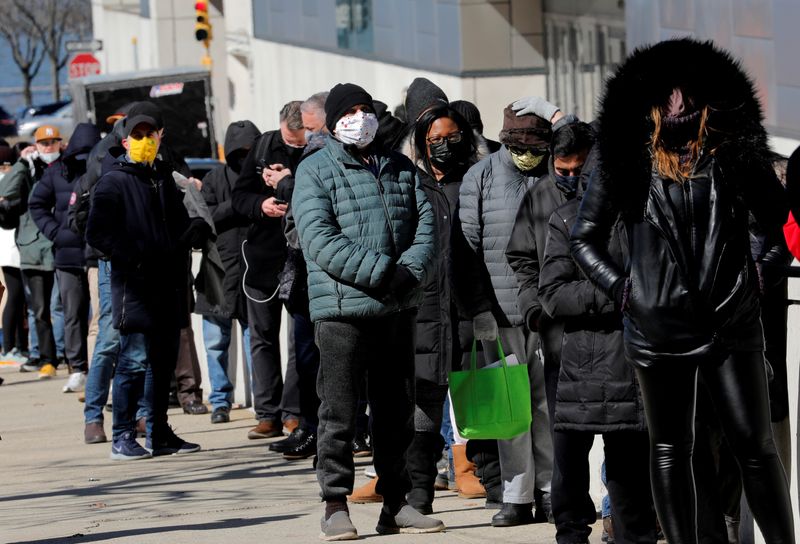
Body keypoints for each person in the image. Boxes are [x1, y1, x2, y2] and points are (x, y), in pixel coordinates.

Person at [570, 38, 794, 543]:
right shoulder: (626, 154)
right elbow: (583, 239)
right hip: (656, 328)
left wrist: (755, 281)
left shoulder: (734, 149)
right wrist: (626, 291)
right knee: (671, 448)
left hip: (731, 325)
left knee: (755, 448)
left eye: (688, 96)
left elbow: (779, 231)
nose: (678, 107)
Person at [293, 82, 442, 539]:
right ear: (335, 121)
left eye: (365, 109)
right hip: (342, 311)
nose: (360, 117)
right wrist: (382, 272)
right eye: (349, 111)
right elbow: (319, 239)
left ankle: (396, 502)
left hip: (396, 308)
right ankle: (335, 504)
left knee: (395, 410)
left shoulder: (398, 166)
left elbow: (427, 224)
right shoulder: (315, 170)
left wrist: (408, 272)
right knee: (338, 412)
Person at [535, 122, 658, 544]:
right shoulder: (566, 220)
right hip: (581, 362)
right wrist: (620, 293)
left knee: (630, 478)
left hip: (633, 363)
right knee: (569, 464)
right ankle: (571, 535)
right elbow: (552, 293)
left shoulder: (649, 217)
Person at [86, 101, 208, 460]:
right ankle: (123, 435)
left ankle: (158, 432)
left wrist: (191, 232)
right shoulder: (114, 181)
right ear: (124, 142)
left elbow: (175, 226)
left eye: (148, 135)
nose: (142, 141)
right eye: (135, 135)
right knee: (133, 361)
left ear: (159, 137)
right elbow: (97, 233)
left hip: (168, 285)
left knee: (161, 362)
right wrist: (134, 255)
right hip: (135, 287)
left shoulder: (163, 178)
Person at [459, 103, 555, 527]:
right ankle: (516, 496)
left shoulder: (554, 172)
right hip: (498, 312)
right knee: (512, 407)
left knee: (547, 404)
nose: (527, 155)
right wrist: (478, 309)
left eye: (536, 147)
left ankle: (552, 491)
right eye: (519, 146)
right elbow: (466, 249)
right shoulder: (479, 176)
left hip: (549, 311)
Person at [506, 99, 587, 431]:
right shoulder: (540, 195)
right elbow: (522, 258)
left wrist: (559, 117)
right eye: (561, 170)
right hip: (557, 336)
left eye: (577, 171)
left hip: (610, 335)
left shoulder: (607, 193)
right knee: (565, 439)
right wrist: (534, 310)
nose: (569, 177)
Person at [231, 101, 306, 440]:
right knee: (262, 337)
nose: (295, 143)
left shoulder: (316, 149)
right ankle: (267, 412)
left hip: (302, 256)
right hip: (262, 257)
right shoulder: (262, 147)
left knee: (299, 340)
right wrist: (261, 206)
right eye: (291, 138)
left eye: (300, 137)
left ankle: (294, 412)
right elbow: (239, 198)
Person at [196, 119, 261, 424]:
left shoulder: (264, 177)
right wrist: (235, 206)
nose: (245, 156)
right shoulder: (213, 179)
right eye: (240, 150)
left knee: (255, 340)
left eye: (251, 150)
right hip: (217, 269)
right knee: (215, 341)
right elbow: (202, 219)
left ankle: (263, 402)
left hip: (254, 271)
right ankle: (220, 400)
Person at [29, 122, 101, 393]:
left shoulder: (102, 169)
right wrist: (55, 233)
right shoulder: (56, 172)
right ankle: (78, 368)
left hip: (97, 253)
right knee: (73, 313)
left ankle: (99, 366)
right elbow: (36, 204)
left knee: (101, 314)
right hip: (67, 254)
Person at [1, 125, 62, 378]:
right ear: (36, 145)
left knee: (64, 307)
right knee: (39, 309)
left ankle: (70, 356)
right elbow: (4, 192)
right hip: (32, 249)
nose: (48, 148)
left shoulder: (65, 167)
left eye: (53, 142)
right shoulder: (27, 170)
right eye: (43, 143)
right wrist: (21, 164)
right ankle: (47, 358)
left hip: (62, 247)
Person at [0, 145, 28, 366]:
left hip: (12, 248)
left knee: (16, 299)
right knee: (14, 296)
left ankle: (18, 345)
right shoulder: (8, 182)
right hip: (10, 249)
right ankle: (9, 347)